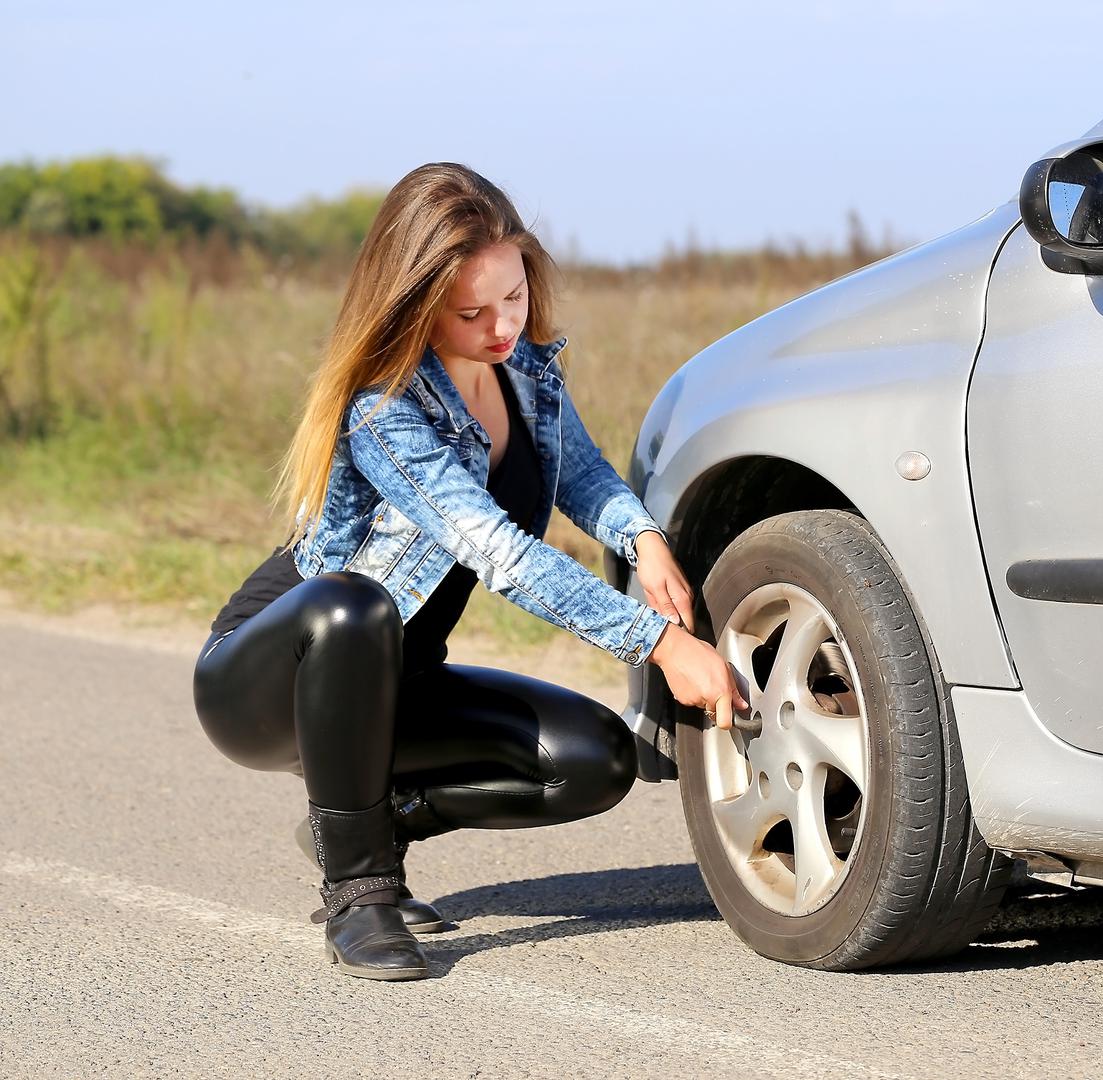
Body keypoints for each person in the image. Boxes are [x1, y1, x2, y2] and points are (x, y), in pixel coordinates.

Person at [191, 162, 747, 982]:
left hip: (401, 683)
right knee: (352, 608)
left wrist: (643, 540)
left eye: (514, 298)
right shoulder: (385, 407)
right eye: (471, 311)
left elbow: (580, 472)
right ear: (415, 303)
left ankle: (366, 820)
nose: (502, 328)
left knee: (593, 759)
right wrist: (658, 644)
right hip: (272, 677)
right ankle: (360, 891)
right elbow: (498, 550)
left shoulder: (526, 375)